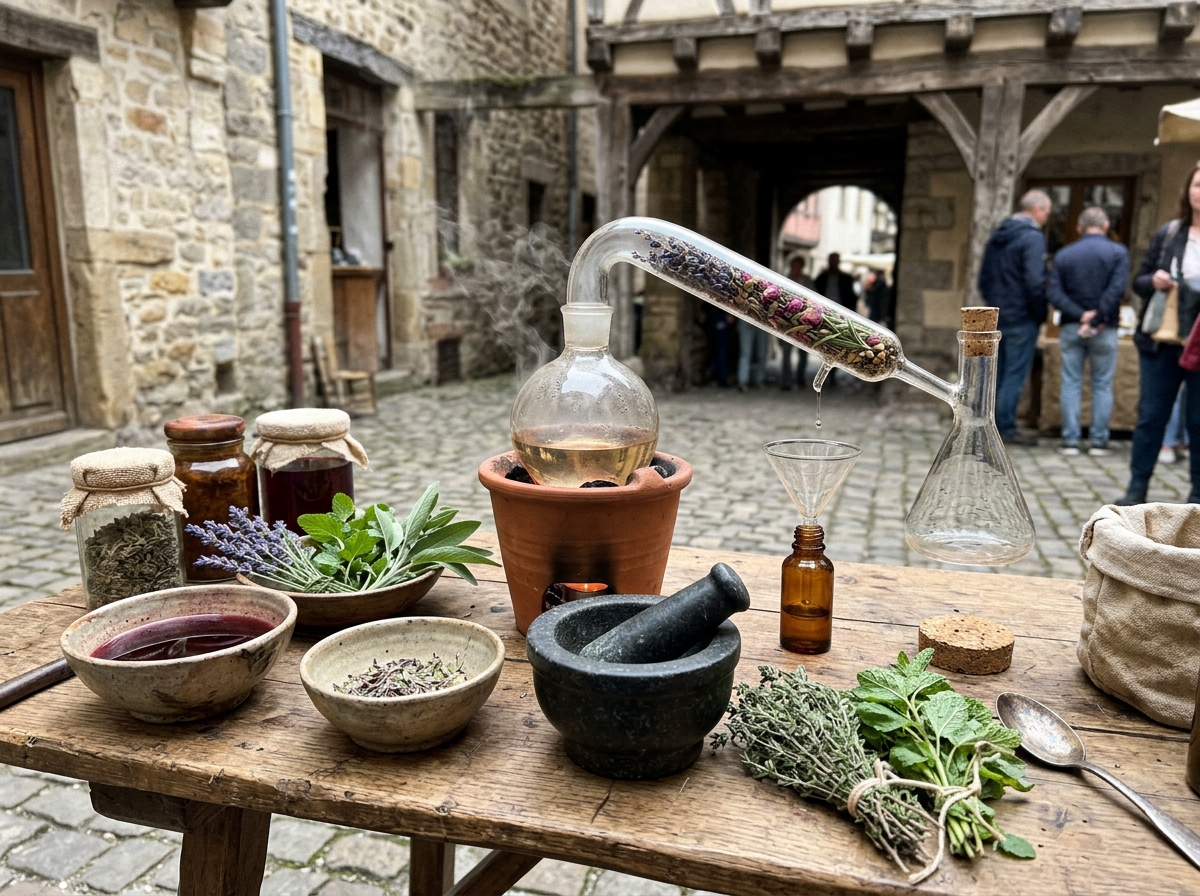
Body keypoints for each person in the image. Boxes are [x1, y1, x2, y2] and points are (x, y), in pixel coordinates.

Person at [1119, 161, 1200, 505]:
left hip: (1199, 344)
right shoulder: (1169, 233)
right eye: (1197, 185)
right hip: (1161, 343)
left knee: (1199, 421)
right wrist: (1153, 281)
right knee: (1151, 416)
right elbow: (1138, 281)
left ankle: (1197, 493)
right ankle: (1137, 488)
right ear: (1188, 191)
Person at [1047, 206, 1130, 457]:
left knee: (1071, 382)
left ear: (1079, 227)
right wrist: (1095, 319)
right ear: (1106, 226)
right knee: (1102, 385)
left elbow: (1053, 293)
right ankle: (1097, 441)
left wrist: (1080, 315)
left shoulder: (1064, 255)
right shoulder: (1118, 252)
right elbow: (1116, 291)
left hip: (1073, 325)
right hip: (1104, 327)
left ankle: (1070, 440)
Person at [978, 189, 1052, 446]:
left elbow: (983, 279)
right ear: (1038, 210)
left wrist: (993, 305)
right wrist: (1040, 311)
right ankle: (1005, 427)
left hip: (998, 315)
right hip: (1021, 316)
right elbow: (1034, 281)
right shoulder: (1032, 238)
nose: (1047, 218)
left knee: (996, 375)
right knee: (1014, 374)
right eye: (1047, 213)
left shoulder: (997, 235)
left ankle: (989, 424)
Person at [779, 257, 812, 390]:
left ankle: (800, 377)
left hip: (804, 322)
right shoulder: (783, 281)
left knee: (803, 352)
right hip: (787, 322)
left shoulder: (807, 282)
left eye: (799, 266)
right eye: (794, 266)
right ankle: (786, 380)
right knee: (786, 353)